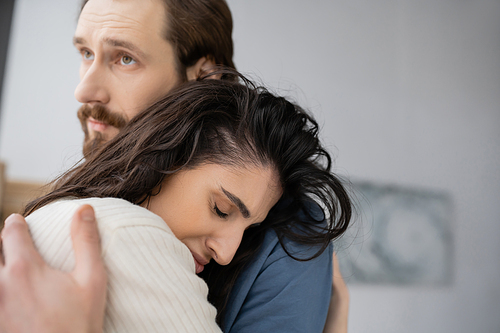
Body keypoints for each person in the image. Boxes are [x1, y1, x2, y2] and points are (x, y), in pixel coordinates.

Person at [0, 0, 349, 331]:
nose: (84, 89)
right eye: (86, 53)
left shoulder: (287, 231)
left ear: (202, 80)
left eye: (125, 59)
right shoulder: (92, 217)